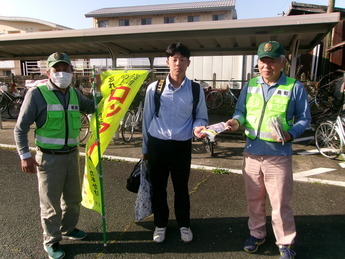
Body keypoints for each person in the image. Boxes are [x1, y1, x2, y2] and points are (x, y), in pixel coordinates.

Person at [225, 41, 311, 259]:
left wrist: (291, 133)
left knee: (280, 203)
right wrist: (236, 121)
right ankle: (257, 234)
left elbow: (304, 118)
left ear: (282, 62)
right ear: (258, 63)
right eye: (263, 61)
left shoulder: (294, 87)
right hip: (252, 153)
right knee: (254, 200)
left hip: (278, 155)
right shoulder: (251, 85)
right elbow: (240, 111)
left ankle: (284, 242)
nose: (267, 65)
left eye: (272, 60)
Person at [14, 52, 98, 259]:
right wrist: (25, 156)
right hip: (48, 158)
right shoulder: (37, 94)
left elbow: (94, 106)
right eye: (57, 69)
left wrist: (107, 89)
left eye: (65, 69)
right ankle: (51, 241)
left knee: (73, 199)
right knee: (51, 205)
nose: (62, 73)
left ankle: (68, 230)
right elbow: (20, 128)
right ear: (48, 72)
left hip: (71, 155)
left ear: (72, 71)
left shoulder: (74, 93)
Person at [142, 42, 208, 244]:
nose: (178, 63)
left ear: (188, 63)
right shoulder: (155, 88)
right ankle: (160, 225)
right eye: (174, 59)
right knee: (158, 188)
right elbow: (147, 119)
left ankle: (184, 225)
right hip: (157, 144)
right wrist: (145, 149)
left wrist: (199, 128)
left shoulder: (196, 90)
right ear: (167, 61)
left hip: (181, 145)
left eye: (182, 59)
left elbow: (201, 117)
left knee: (181, 188)